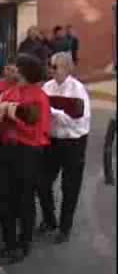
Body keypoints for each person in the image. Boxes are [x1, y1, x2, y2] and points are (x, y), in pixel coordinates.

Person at [0, 53, 50, 264]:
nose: (13, 70)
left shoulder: (39, 97)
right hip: (8, 149)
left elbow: (38, 131)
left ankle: (22, 244)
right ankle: (9, 241)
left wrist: (14, 117)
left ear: (25, 71)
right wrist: (0, 116)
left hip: (28, 152)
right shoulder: (9, 92)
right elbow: (0, 123)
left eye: (17, 67)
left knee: (23, 199)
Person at [38, 52, 90, 243]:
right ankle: (49, 219)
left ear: (68, 68)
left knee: (70, 187)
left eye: (55, 66)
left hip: (73, 143)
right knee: (42, 182)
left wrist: (54, 112)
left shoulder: (78, 90)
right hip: (52, 142)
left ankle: (65, 228)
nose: (51, 70)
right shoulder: (47, 87)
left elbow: (80, 122)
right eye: (50, 66)